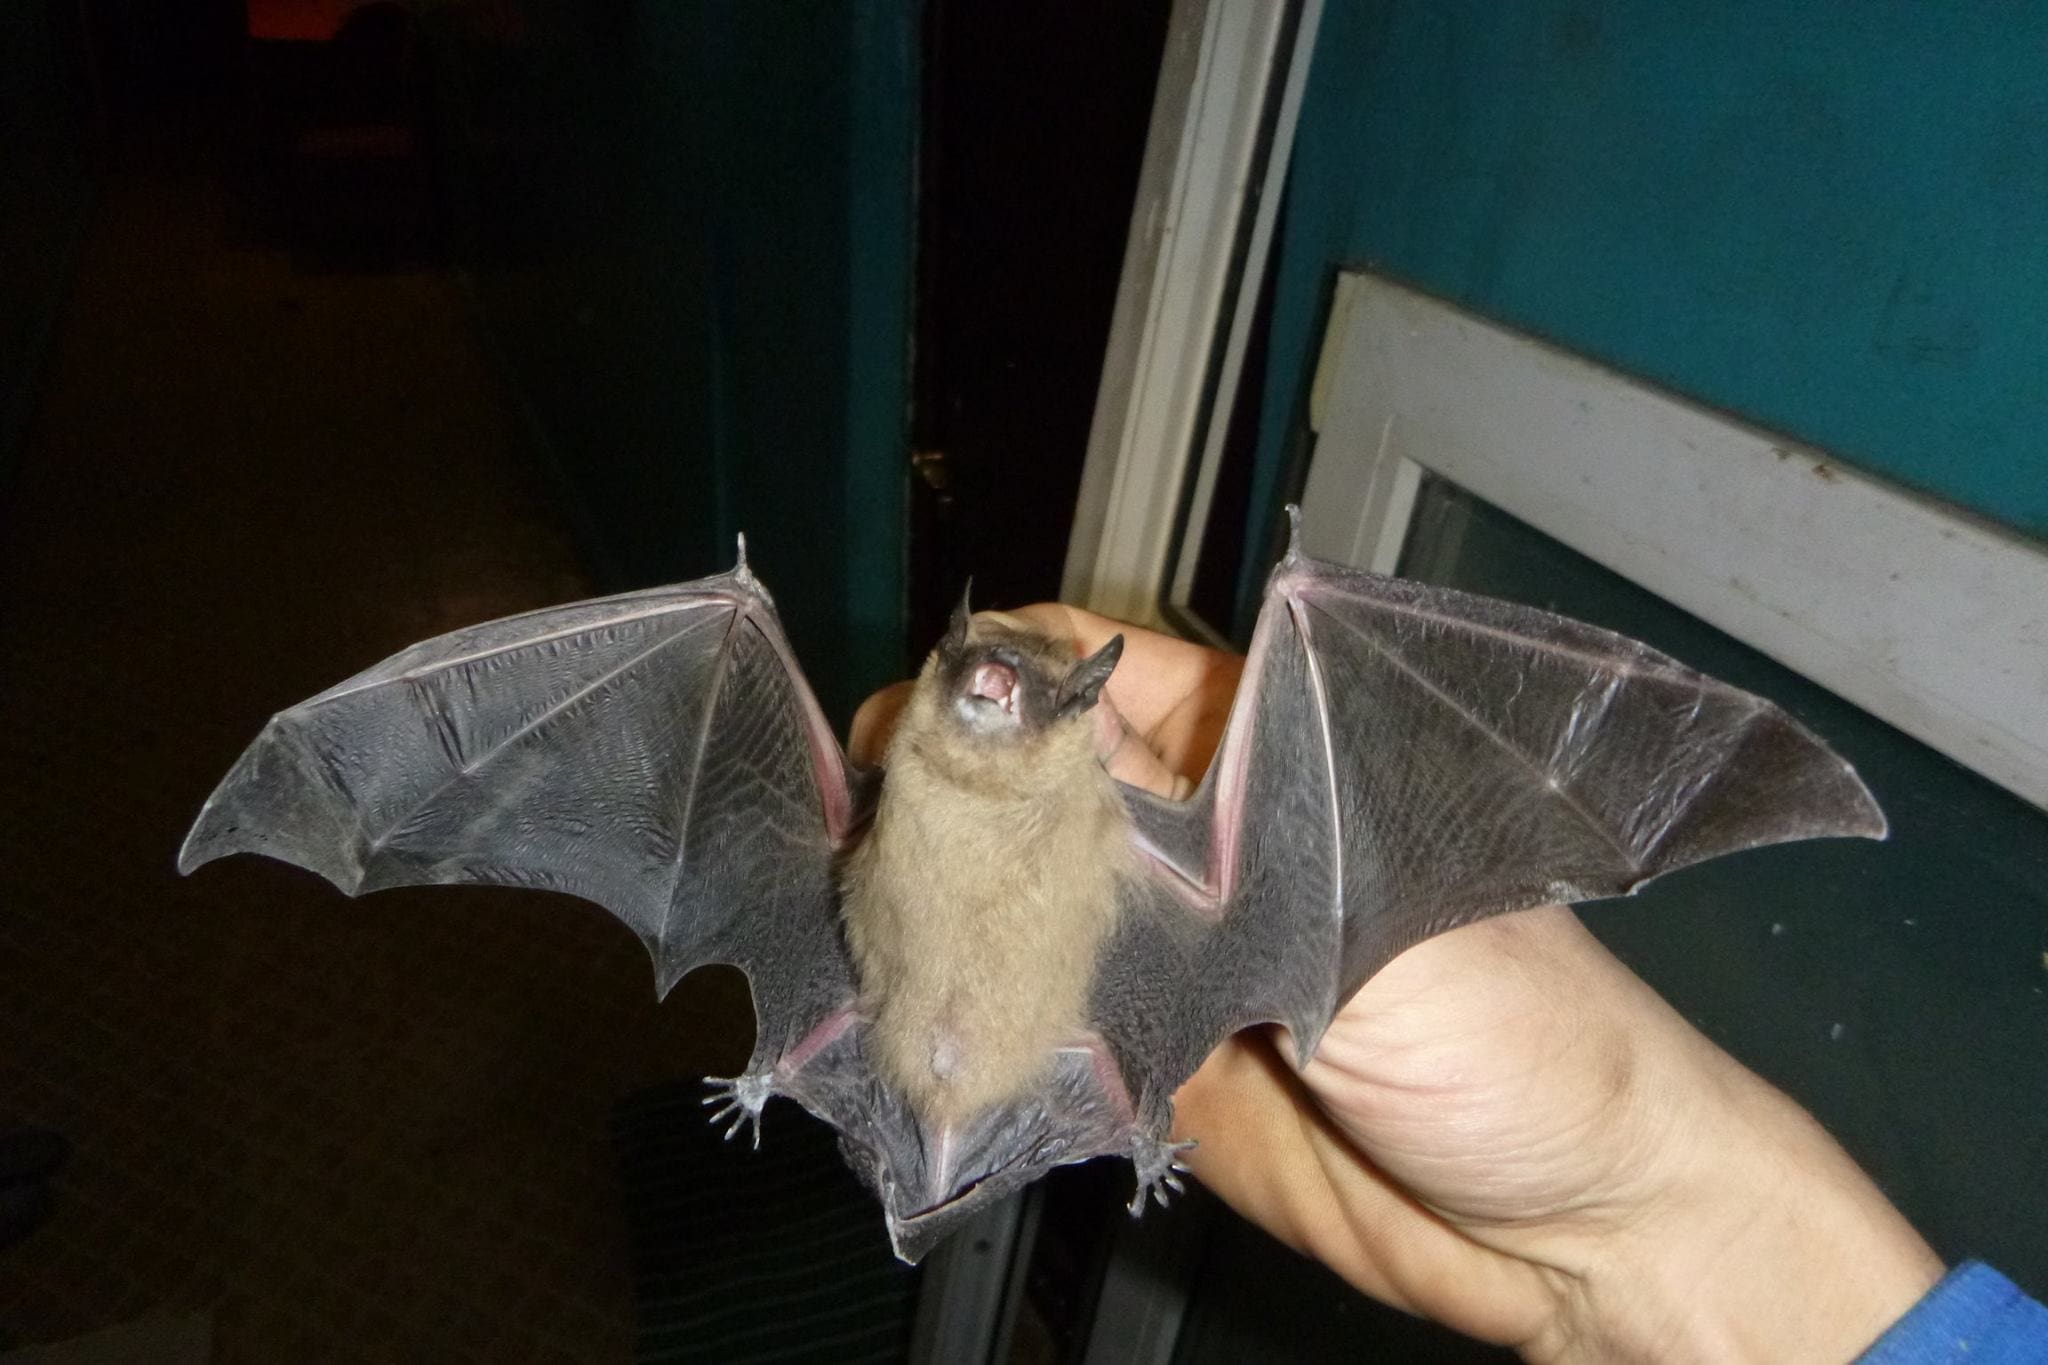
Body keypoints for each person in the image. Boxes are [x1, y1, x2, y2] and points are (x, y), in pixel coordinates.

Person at [851, 603, 2048, 1363]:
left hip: (1068, 1021)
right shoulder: (919, 756)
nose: (991, 683)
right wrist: (1654, 1224)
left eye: (1029, 687)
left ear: (1080, 713)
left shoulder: (1125, 814)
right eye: (971, 664)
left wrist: (1649, 1219)